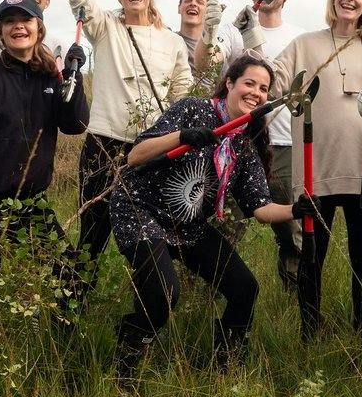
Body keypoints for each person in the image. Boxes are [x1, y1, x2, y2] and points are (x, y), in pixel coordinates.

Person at [112, 54, 320, 376]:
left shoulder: (244, 144)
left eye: (264, 88)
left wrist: (295, 209)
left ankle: (227, 364)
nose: (256, 92)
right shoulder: (193, 109)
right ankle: (124, 367)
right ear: (229, 84)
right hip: (142, 210)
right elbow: (135, 156)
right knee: (163, 291)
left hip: (188, 226)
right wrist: (183, 136)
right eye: (249, 83)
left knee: (244, 288)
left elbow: (259, 207)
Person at [60, 0, 193, 266]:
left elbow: (181, 98)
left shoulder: (172, 42)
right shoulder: (106, 28)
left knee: (150, 238)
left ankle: (148, 305)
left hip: (151, 148)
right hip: (104, 145)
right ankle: (69, 314)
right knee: (91, 238)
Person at [274, 0, 362, 339]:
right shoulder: (305, 44)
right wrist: (251, 33)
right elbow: (276, 81)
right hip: (317, 170)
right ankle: (309, 330)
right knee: (313, 254)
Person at [0, 0, 90, 309]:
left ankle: (66, 352)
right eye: (9, 21)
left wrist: (74, 78)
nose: (18, 27)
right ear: (0, 32)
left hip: (31, 206)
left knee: (70, 284)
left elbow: (75, 124)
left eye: (25, 19)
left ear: (38, 28)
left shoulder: (51, 79)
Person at [209, 0, 306, 288]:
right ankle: (212, 289)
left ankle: (294, 293)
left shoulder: (298, 37)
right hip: (239, 143)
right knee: (227, 222)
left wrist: (255, 39)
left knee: (290, 229)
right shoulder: (235, 30)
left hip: (283, 144)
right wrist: (212, 33)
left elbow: (282, 89)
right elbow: (209, 63)